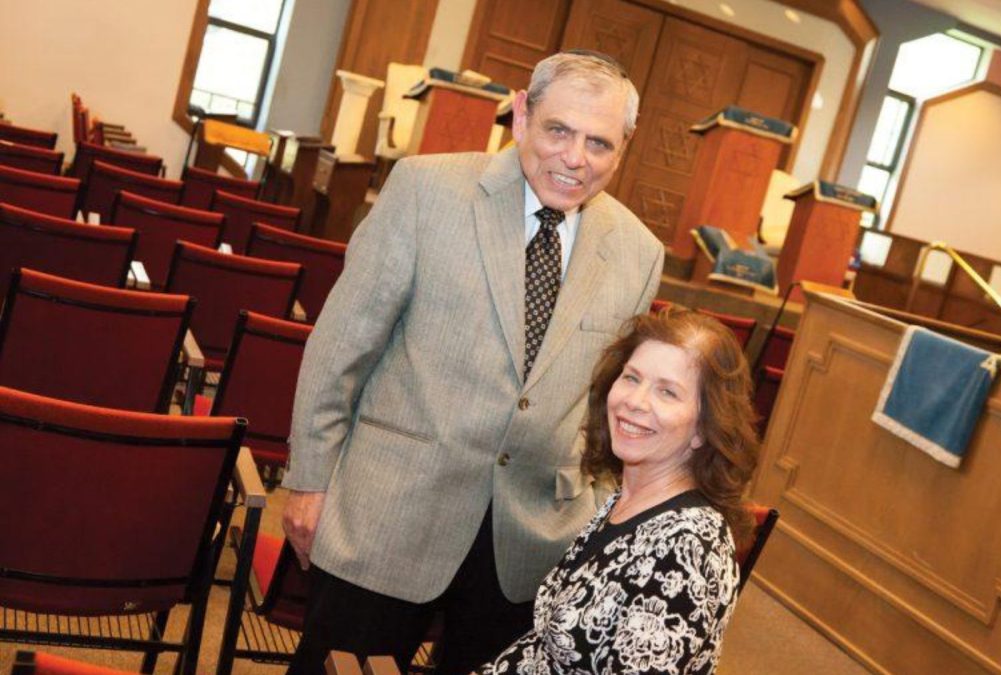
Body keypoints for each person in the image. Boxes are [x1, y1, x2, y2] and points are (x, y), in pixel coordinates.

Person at [281, 51, 664, 675]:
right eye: (559, 130)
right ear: (521, 116)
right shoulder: (425, 190)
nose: (575, 158)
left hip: (527, 547)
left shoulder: (640, 254)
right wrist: (310, 480)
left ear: (621, 151)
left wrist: (587, 513)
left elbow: (607, 407)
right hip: (387, 515)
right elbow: (341, 346)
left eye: (600, 143)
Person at [477, 308, 761, 674]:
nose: (635, 402)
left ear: (704, 428)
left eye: (667, 392)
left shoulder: (689, 548)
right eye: (632, 378)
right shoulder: (626, 499)